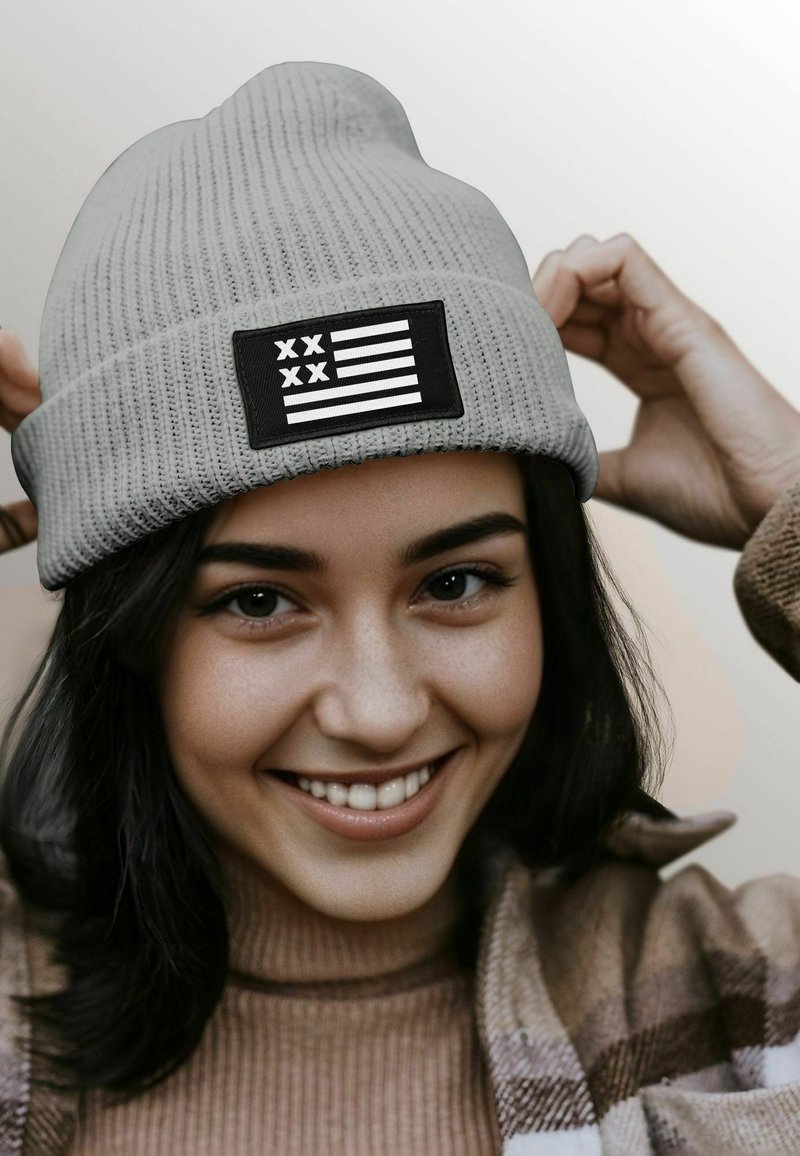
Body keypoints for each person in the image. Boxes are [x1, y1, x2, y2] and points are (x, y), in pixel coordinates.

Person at [0, 60, 798, 1156]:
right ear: (128, 635)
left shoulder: (743, 1012)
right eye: (261, 599)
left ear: (548, 593)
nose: (378, 712)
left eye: (454, 583)